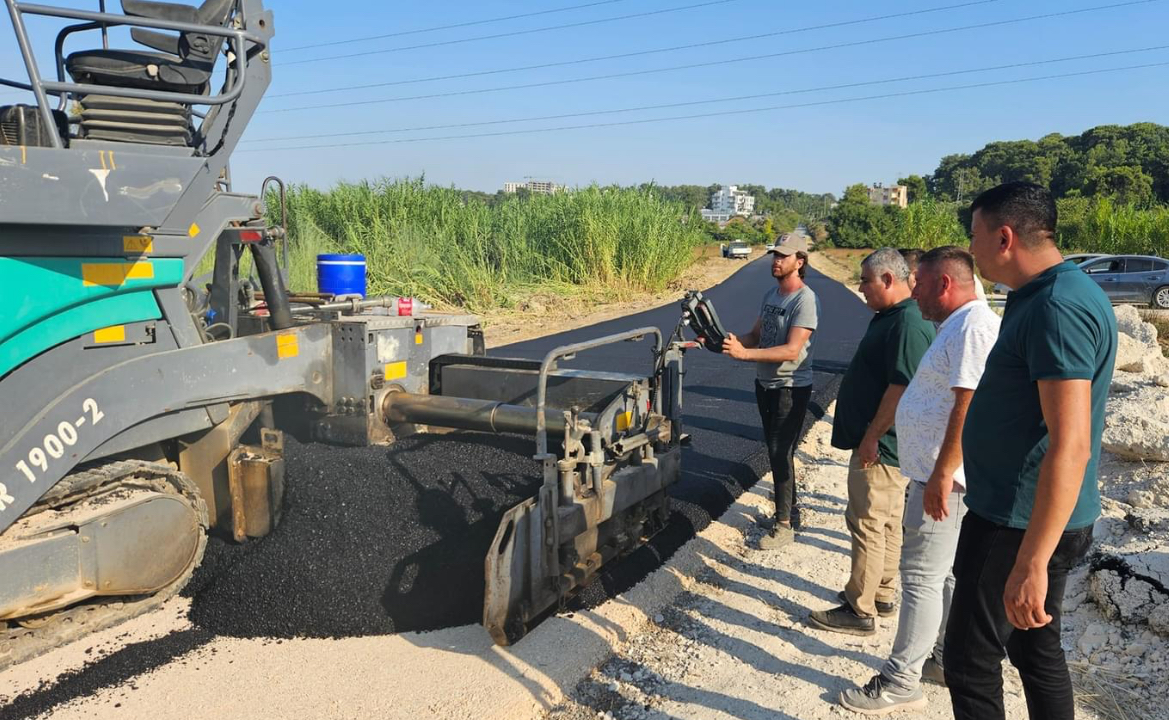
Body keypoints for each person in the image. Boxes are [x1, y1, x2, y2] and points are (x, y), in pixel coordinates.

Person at [944, 182, 1117, 720]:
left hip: (1017, 522)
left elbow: (1072, 444)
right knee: (1033, 646)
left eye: (974, 237)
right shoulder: (1049, 295)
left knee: (970, 662)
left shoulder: (1057, 308)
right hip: (1025, 515)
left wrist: (1033, 561)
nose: (970, 250)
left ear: (1004, 236)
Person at [838, 246, 1000, 714]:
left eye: (922, 284)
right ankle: (944, 658)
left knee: (921, 579)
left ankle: (899, 679)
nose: (916, 292)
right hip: (940, 475)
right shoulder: (960, 324)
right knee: (943, 576)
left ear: (945, 284)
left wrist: (942, 474)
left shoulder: (972, 328)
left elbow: (966, 407)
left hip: (944, 480)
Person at [810, 248, 935, 635]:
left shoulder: (907, 324)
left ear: (887, 280)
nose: (860, 288)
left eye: (865, 280)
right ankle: (881, 592)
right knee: (886, 522)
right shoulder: (894, 317)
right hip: (890, 444)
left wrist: (871, 436)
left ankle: (858, 608)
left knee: (866, 522)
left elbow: (901, 386)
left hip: (883, 446)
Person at [722, 233, 819, 549]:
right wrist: (729, 342)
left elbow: (792, 350)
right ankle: (787, 510)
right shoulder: (771, 295)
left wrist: (744, 355)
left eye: (783, 256)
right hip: (765, 385)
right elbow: (755, 335)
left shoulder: (804, 300)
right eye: (775, 255)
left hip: (790, 388)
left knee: (780, 452)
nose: (776, 260)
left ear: (799, 262)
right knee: (775, 451)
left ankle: (784, 525)